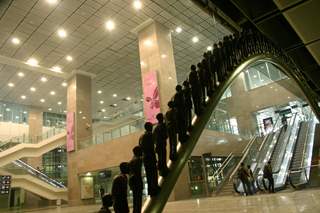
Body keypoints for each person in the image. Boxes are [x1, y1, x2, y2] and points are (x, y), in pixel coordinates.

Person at [139, 122, 160, 197]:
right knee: (153, 174)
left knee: (148, 175)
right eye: (151, 126)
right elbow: (153, 147)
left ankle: (151, 190)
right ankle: (155, 188)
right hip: (150, 157)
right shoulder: (150, 135)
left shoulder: (141, 136)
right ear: (149, 127)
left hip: (145, 158)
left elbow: (140, 147)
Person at [153, 113, 169, 177]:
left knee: (160, 158)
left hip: (158, 145)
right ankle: (164, 170)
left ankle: (161, 170)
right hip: (162, 144)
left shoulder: (156, 128)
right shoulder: (163, 126)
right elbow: (165, 135)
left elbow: (154, 138)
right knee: (163, 157)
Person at [129, 146, 143, 213]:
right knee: (138, 201)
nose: (142, 152)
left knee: (135, 201)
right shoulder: (137, 160)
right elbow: (137, 172)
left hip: (134, 184)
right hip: (137, 183)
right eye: (141, 151)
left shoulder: (131, 160)